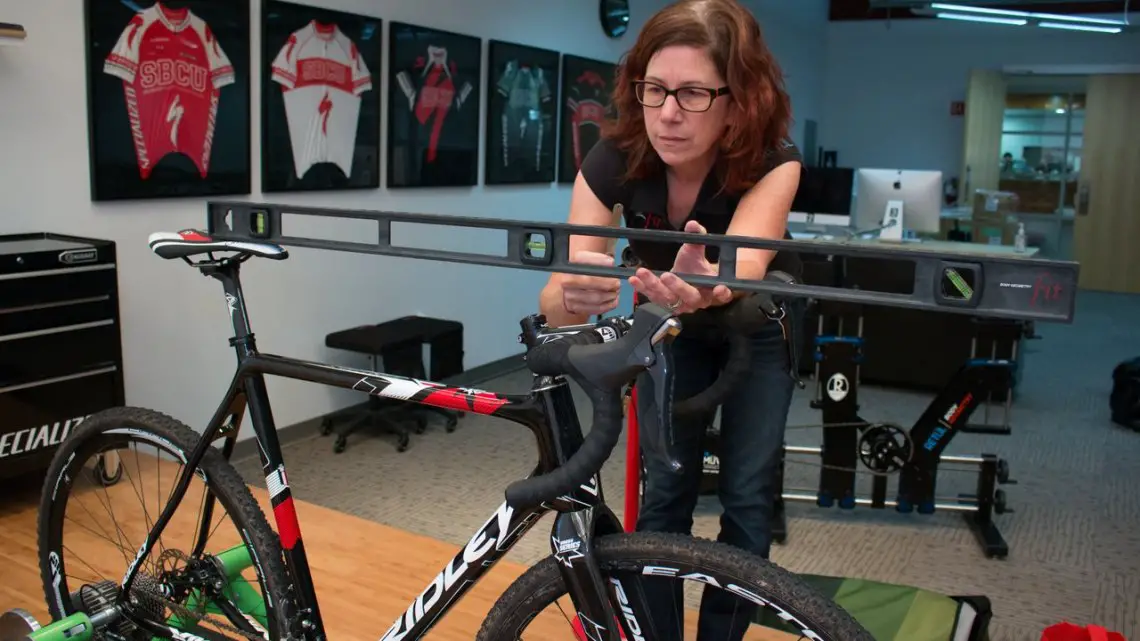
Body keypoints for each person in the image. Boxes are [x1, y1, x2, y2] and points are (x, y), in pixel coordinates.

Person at [537, 0, 804, 638]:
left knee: (745, 499)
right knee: (665, 495)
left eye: (691, 94)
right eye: (654, 90)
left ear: (738, 102)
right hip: (672, 328)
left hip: (756, 331)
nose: (668, 114)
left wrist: (712, 285)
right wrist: (573, 295)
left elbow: (741, 270)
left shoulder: (773, 160)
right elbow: (556, 296)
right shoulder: (613, 159)